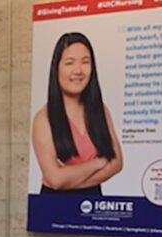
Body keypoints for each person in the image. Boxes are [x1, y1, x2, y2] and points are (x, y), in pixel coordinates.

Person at [32, 31, 123, 195]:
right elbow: (55, 179)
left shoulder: (100, 110)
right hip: (54, 205)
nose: (78, 70)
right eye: (69, 63)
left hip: (93, 204)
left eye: (85, 62)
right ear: (57, 68)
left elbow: (117, 163)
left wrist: (70, 178)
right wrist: (98, 163)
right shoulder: (44, 118)